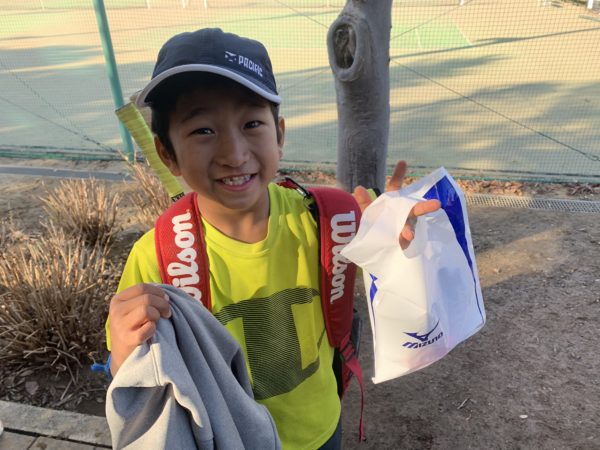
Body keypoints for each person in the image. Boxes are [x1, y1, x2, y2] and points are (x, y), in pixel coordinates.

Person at [106, 28, 440, 449]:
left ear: (279, 135)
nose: (234, 153)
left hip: (321, 429)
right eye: (203, 130)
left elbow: (389, 270)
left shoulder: (327, 220)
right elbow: (133, 373)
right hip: (229, 439)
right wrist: (124, 347)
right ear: (167, 154)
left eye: (251, 124)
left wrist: (398, 236)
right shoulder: (158, 257)